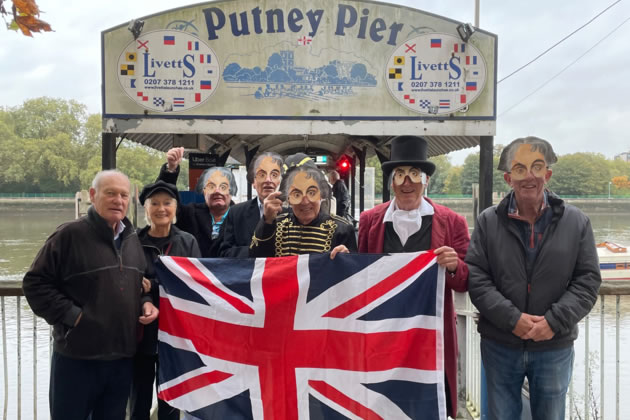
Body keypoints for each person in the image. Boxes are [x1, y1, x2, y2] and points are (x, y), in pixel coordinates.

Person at [466, 136, 601, 420]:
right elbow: (477, 277)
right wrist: (512, 319)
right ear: (508, 178)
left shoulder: (577, 222)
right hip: (500, 343)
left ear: (547, 174)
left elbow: (587, 280)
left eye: (537, 167)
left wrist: (553, 321)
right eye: (520, 169)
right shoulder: (488, 221)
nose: (529, 176)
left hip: (554, 345)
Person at [22, 170, 159, 420]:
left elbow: (138, 284)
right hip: (77, 359)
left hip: (121, 360)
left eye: (123, 195)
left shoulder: (132, 239)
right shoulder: (69, 235)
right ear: (93, 195)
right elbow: (35, 284)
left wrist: (146, 302)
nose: (118, 200)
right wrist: (74, 317)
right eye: (111, 193)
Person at [357, 135, 469, 419]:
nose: (407, 182)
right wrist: (344, 260)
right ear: (391, 182)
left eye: (414, 174)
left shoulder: (452, 222)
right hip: (382, 333)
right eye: (400, 175)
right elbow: (359, 276)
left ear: (426, 180)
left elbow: (466, 280)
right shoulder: (370, 221)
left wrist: (454, 266)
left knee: (427, 402)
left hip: (430, 335)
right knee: (382, 401)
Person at [131, 180, 201, 420]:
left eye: (167, 203)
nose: (161, 209)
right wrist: (145, 295)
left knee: (170, 400)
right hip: (141, 331)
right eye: (155, 203)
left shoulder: (187, 242)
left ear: (175, 208)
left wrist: (153, 284)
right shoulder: (133, 241)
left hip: (175, 333)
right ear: (146, 208)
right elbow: (128, 281)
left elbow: (194, 284)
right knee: (138, 398)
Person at [249, 153, 357, 257]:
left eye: (311, 193)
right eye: (297, 194)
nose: (305, 202)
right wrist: (267, 221)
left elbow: (354, 267)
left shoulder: (343, 229)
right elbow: (255, 260)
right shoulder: (275, 226)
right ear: (288, 198)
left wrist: (346, 258)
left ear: (321, 195)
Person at [158, 147, 237, 257]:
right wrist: (170, 169)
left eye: (223, 187)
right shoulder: (190, 213)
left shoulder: (242, 216)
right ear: (203, 191)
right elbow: (164, 201)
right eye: (211, 186)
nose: (217, 191)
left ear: (231, 190)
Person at [218, 152, 284, 257]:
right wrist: (253, 251)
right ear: (253, 182)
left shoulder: (292, 214)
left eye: (274, 175)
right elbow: (224, 253)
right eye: (262, 175)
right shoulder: (236, 213)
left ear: (279, 181)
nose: (268, 180)